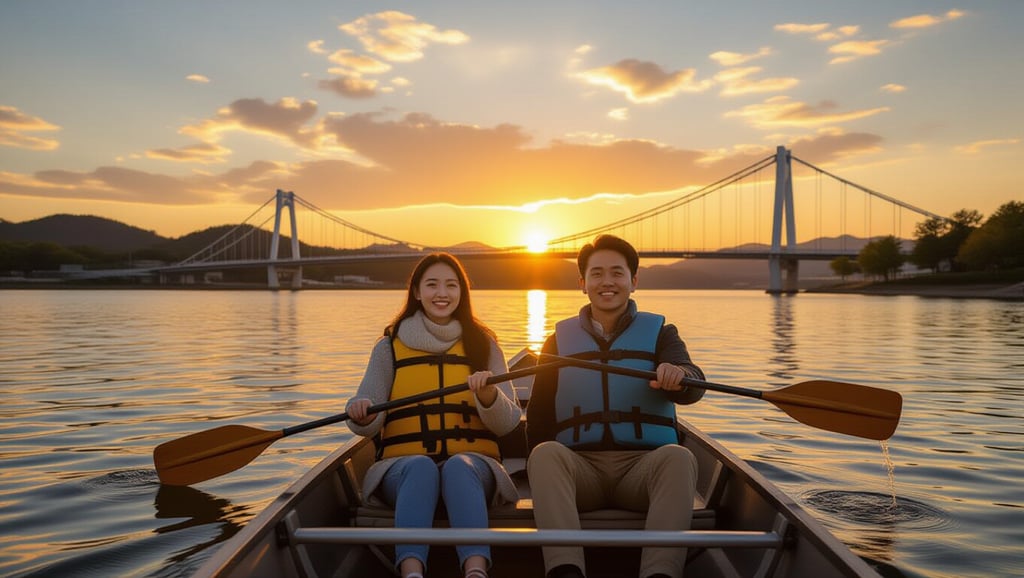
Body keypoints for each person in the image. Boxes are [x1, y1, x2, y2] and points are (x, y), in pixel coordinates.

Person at [526, 234, 706, 578]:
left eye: (617, 273)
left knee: (680, 457)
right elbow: (538, 416)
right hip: (581, 471)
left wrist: (680, 374)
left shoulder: (661, 334)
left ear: (633, 281)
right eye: (596, 274)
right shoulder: (557, 341)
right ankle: (566, 572)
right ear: (582, 284)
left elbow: (693, 384)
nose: (607, 282)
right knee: (544, 453)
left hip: (642, 470)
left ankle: (660, 574)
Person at [346, 252, 522, 578]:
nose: (442, 293)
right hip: (401, 471)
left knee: (458, 466)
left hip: (474, 469)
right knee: (421, 466)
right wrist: (359, 413)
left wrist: (488, 395)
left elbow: (508, 422)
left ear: (462, 292)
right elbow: (365, 418)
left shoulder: (484, 345)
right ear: (416, 292)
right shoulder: (388, 347)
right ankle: (412, 572)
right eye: (432, 284)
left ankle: (475, 571)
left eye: (451, 285)